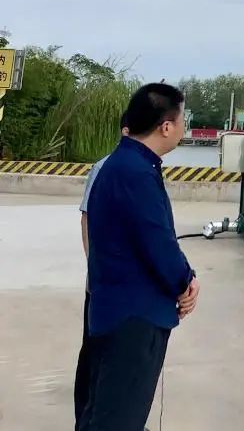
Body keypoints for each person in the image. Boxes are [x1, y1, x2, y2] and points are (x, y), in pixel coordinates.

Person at [81, 83, 200, 431]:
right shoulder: (135, 173)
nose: (184, 126)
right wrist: (186, 281)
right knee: (119, 418)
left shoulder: (124, 164)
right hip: (134, 316)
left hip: (118, 309)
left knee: (106, 411)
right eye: (182, 119)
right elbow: (157, 241)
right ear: (166, 126)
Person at [73, 111, 129, 431]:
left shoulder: (146, 170)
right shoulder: (103, 167)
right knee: (94, 353)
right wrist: (95, 267)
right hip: (102, 281)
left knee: (120, 356)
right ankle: (85, 419)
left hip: (129, 286)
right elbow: (87, 219)